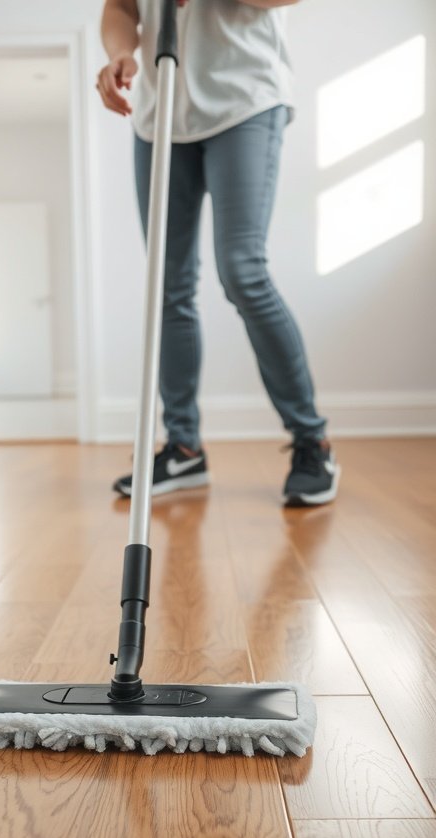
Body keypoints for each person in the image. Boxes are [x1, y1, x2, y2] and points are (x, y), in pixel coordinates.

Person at [97, 0, 340, 507]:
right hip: (160, 112)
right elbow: (121, 6)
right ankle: (183, 446)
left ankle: (311, 440)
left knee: (243, 270)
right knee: (167, 285)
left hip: (243, 100)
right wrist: (121, 52)